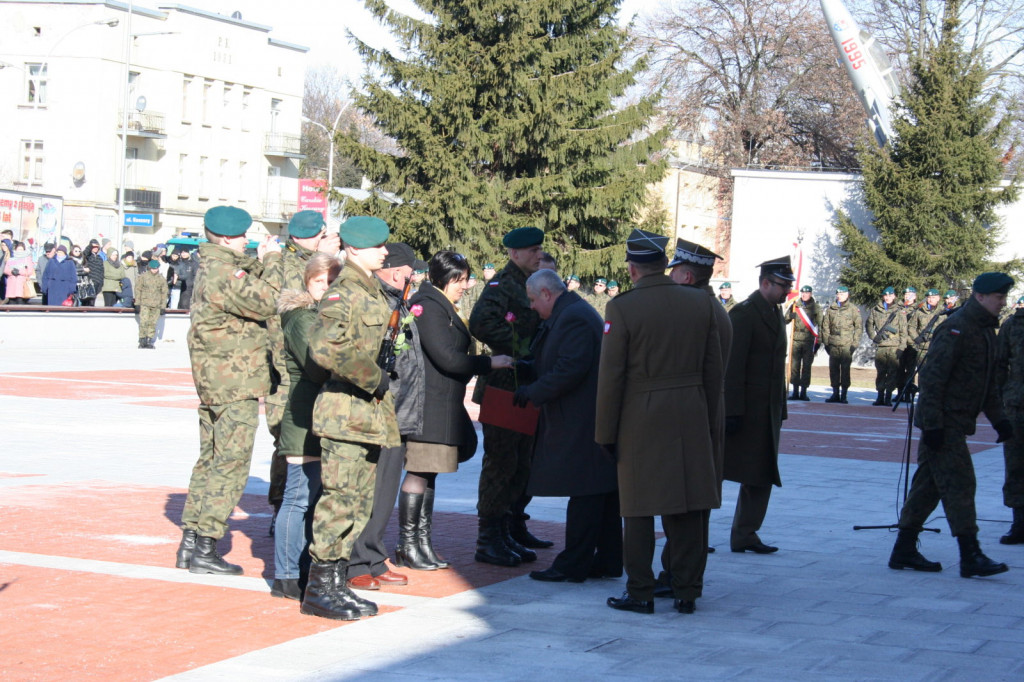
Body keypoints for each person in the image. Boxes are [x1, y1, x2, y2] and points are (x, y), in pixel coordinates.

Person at [597, 229, 722, 615]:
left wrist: (605, 432)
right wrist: (707, 414)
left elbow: (611, 377)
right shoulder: (700, 303)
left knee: (638, 507)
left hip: (641, 416)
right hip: (691, 410)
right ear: (665, 264)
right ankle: (686, 590)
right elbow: (714, 370)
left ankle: (640, 591)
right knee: (687, 505)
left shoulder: (622, 308)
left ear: (632, 269)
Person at [176, 206, 282, 576]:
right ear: (224, 238)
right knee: (231, 464)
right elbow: (269, 300)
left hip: (215, 381)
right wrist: (272, 262)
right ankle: (207, 544)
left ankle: (191, 540)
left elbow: (246, 285)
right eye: (241, 237)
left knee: (210, 459)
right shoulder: (225, 272)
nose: (246, 241)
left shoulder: (212, 265)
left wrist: (256, 260)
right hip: (235, 381)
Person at [300, 216, 396, 621]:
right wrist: (375, 378)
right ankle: (320, 589)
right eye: (378, 246)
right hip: (345, 413)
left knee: (357, 504)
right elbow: (325, 347)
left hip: (364, 416)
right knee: (339, 503)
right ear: (355, 249)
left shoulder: (368, 286)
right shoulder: (344, 291)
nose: (386, 251)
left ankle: (337, 583)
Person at [888, 272, 1014, 578]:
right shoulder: (957, 328)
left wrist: (1000, 421)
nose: (1003, 303)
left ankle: (903, 550)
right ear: (981, 297)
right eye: (999, 298)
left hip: (954, 423)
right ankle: (970, 554)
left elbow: (987, 385)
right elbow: (931, 380)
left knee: (928, 487)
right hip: (943, 424)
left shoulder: (984, 331)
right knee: (960, 484)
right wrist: (932, 426)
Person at [398, 251, 513, 574]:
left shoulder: (439, 304)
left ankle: (421, 544)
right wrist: (489, 363)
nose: (464, 286)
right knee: (420, 472)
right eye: (459, 280)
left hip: (441, 403)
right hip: (428, 404)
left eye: (466, 279)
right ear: (443, 278)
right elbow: (447, 357)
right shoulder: (428, 306)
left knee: (429, 473)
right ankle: (408, 545)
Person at [518, 268, 620, 583]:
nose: (533, 306)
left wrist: (532, 393)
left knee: (586, 491)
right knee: (600, 492)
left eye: (534, 299)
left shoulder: (574, 316)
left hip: (581, 419)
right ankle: (607, 560)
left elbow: (570, 367)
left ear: (547, 293)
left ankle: (573, 564)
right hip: (586, 417)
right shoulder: (572, 311)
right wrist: (528, 367)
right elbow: (562, 358)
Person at [468, 226, 550, 567]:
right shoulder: (503, 284)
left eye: (539, 250)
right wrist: (521, 348)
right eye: (531, 251)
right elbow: (480, 324)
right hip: (504, 383)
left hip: (523, 383)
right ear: (514, 254)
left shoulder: (531, 280)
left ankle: (509, 529)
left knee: (521, 462)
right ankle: (489, 538)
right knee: (500, 464)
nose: (537, 255)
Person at [348, 242, 427, 588]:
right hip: (379, 413)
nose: (416, 278)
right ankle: (356, 562)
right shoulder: (377, 301)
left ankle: (374, 556)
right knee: (370, 492)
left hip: (398, 414)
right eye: (413, 272)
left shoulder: (397, 301)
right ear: (398, 273)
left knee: (384, 494)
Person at [658, 238, 732, 586]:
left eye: (674, 271)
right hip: (700, 418)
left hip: (694, 420)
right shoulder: (707, 307)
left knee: (685, 506)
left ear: (687, 277)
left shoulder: (700, 311)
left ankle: (681, 575)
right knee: (687, 505)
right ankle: (678, 571)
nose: (669, 277)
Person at [263, 211, 341, 536]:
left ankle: (287, 508)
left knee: (291, 442)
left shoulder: (283, 259)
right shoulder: (299, 265)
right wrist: (326, 255)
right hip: (292, 364)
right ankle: (285, 509)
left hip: (282, 363)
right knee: (291, 441)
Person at [271, 252, 342, 600]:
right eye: (319, 281)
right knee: (298, 498)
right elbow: (315, 366)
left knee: (314, 498)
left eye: (331, 281)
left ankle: (300, 567)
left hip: (323, 414)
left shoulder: (326, 315)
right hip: (304, 416)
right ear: (307, 282)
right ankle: (285, 575)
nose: (325, 287)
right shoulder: (301, 317)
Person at [723, 256, 793, 555]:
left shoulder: (774, 311)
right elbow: (733, 366)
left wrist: (782, 407)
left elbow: (777, 366)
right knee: (717, 471)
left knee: (761, 473)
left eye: (788, 286)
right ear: (765, 283)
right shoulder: (745, 313)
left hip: (767, 409)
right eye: (782, 285)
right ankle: (689, 533)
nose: (786, 291)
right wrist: (732, 409)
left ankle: (746, 533)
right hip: (745, 411)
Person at [997, 295, 1024, 545]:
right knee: (1016, 465)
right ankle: (1019, 523)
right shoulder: (1013, 325)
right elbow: (999, 363)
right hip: (1017, 406)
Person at [866, 286, 907, 406]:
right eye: (885, 295)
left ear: (894, 296)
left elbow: (904, 331)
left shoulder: (899, 311)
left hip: (894, 347)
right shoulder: (876, 309)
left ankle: (888, 396)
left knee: (892, 372)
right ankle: (880, 396)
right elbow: (869, 324)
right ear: (883, 296)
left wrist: (902, 347)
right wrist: (873, 337)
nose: (887, 297)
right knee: (881, 372)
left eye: (890, 295)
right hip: (881, 346)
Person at [820, 286, 861, 403]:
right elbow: (825, 326)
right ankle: (835, 393)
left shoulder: (853, 309)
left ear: (847, 295)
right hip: (833, 344)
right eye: (838, 294)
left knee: (845, 370)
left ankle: (844, 395)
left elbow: (858, 327)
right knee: (833, 370)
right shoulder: (830, 309)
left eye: (842, 294)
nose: (840, 296)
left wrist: (855, 343)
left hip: (847, 345)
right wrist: (826, 342)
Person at [785, 285, 821, 401]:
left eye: (807, 293)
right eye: (803, 293)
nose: (805, 295)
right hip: (795, 339)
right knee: (794, 366)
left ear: (811, 294)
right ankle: (795, 391)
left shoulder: (816, 307)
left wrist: (819, 342)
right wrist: (791, 315)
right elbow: (785, 320)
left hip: (809, 340)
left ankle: (803, 392)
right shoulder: (795, 305)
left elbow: (822, 325)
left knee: (806, 367)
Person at [135, 260, 168, 348]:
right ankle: (142, 340)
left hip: (156, 304)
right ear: (150, 268)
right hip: (145, 303)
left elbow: (164, 293)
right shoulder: (143, 277)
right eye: (153, 268)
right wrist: (137, 303)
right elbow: (138, 289)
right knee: (144, 322)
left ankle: (149, 340)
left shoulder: (161, 279)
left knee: (153, 323)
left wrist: (163, 306)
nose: (155, 270)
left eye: (156, 268)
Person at [82, 239, 104, 306]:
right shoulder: (88, 256)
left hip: (98, 282)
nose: (95, 249)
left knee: (93, 302)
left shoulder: (99, 258)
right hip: (89, 282)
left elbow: (102, 270)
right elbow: (84, 253)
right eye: (94, 247)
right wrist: (91, 245)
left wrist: (101, 282)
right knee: (87, 302)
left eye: (97, 247)